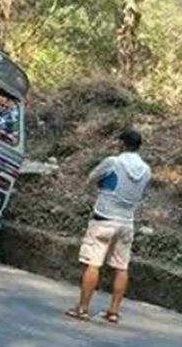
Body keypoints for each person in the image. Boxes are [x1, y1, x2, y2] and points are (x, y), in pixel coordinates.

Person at [66, 129, 152, 324]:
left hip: (104, 218)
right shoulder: (146, 170)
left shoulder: (113, 162)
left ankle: (82, 308)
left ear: (122, 143)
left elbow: (92, 178)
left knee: (93, 263)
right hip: (127, 222)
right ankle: (113, 311)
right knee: (122, 267)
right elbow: (142, 193)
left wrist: (101, 186)